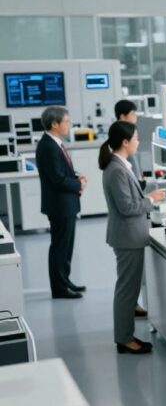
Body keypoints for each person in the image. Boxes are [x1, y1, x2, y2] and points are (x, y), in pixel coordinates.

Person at [99, 121, 166, 355]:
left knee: (128, 290)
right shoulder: (117, 170)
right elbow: (127, 207)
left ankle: (125, 336)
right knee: (127, 292)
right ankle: (124, 339)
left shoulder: (119, 166)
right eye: (136, 139)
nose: (138, 142)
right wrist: (151, 199)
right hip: (128, 237)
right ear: (125, 142)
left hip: (130, 235)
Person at [36, 106, 87, 299]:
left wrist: (76, 176)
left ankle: (65, 280)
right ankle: (59, 289)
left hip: (65, 204)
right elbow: (57, 180)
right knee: (60, 247)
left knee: (66, 247)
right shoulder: (48, 146)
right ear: (54, 124)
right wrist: (78, 183)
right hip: (60, 206)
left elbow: (62, 171)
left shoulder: (55, 144)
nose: (69, 125)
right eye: (66, 121)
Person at [113, 99, 145, 189]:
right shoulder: (121, 133)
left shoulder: (128, 130)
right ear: (122, 116)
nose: (135, 116)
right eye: (132, 113)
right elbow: (131, 158)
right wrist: (138, 180)